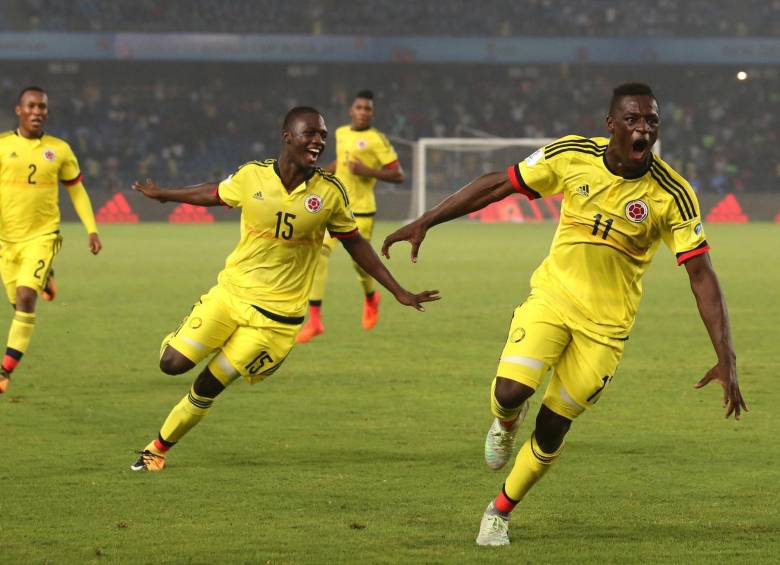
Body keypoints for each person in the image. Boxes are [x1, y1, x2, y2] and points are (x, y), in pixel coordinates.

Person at [381, 83, 747, 546]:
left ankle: (499, 511)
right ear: (611, 124)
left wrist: (726, 354)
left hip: (607, 330)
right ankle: (506, 423)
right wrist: (426, 219)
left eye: (651, 121)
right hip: (553, 298)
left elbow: (701, 274)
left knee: (553, 428)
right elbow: (500, 183)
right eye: (633, 120)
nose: (643, 129)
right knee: (510, 392)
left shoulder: (671, 193)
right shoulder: (572, 155)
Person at [129, 106, 438, 472]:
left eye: (322, 135)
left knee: (207, 386)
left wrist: (397, 290)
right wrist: (166, 194)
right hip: (230, 296)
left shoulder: (329, 192)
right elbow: (215, 193)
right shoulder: (252, 176)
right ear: (287, 136)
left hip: (275, 321)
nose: (318, 141)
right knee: (171, 365)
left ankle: (157, 449)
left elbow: (355, 243)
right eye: (311, 133)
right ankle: (190, 342)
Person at [0, 86, 102, 395]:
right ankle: (46, 278)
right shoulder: (2, 146)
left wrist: (92, 229)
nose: (37, 112)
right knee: (18, 302)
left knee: (26, 299)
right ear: (19, 110)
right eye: (31, 106)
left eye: (42, 107)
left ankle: (4, 370)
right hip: (6, 241)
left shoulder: (59, 149)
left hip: (42, 236)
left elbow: (76, 190)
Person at [296, 90, 404, 343]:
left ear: (372, 114)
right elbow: (340, 163)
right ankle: (314, 321)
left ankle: (371, 298)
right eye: (359, 107)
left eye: (367, 109)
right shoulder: (341, 133)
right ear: (351, 110)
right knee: (318, 254)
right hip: (336, 207)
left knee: (360, 264)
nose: (363, 112)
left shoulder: (378, 140)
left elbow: (398, 175)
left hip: (362, 211)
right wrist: (318, 173)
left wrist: (367, 170)